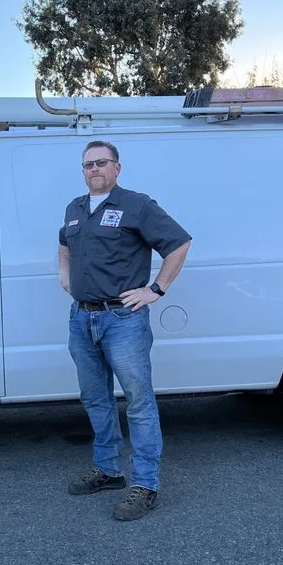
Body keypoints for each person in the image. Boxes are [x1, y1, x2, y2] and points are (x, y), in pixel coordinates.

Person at [58, 140, 192, 521]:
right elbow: (63, 243)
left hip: (123, 320)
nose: (94, 169)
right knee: (95, 398)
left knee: (138, 401)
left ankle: (145, 485)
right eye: (87, 165)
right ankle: (109, 470)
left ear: (117, 168)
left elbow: (179, 243)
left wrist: (156, 289)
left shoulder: (136, 205)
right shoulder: (75, 209)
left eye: (101, 163)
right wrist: (65, 277)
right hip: (82, 319)